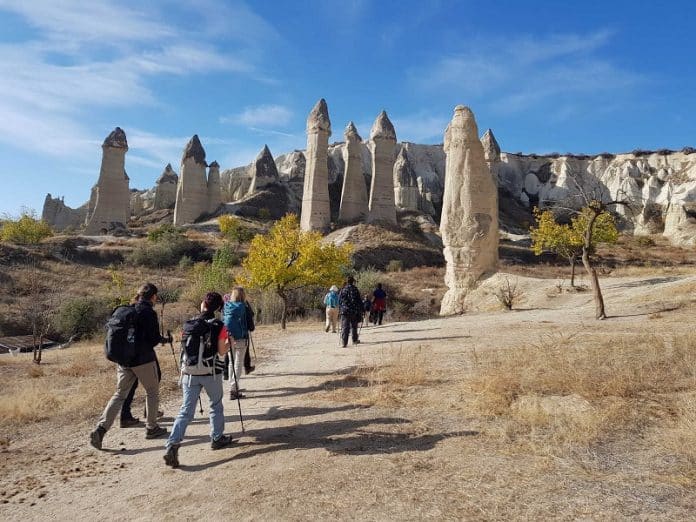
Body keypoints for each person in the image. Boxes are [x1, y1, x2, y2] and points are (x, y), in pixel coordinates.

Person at [90, 283, 169, 450]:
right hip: (143, 360)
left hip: (124, 361)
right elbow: (153, 339)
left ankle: (101, 428)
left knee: (119, 395)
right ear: (153, 296)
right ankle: (152, 427)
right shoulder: (148, 312)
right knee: (152, 392)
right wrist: (162, 339)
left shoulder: (128, 309)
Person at [164, 292, 233, 468]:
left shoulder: (189, 324)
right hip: (210, 372)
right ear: (219, 308)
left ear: (203, 304)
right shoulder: (219, 324)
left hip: (189, 373)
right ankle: (217, 438)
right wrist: (229, 342)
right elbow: (221, 351)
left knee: (185, 411)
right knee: (215, 405)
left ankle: (173, 443)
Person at [222, 287, 255, 400]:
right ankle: (233, 389)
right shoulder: (244, 307)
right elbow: (251, 326)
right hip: (241, 339)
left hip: (229, 337)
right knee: (238, 364)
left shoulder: (226, 306)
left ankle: (233, 386)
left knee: (231, 363)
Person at [338, 276, 362, 348]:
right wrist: (361, 309)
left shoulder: (343, 289)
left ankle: (344, 343)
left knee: (345, 326)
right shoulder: (355, 289)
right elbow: (359, 300)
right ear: (353, 281)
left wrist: (340, 308)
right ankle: (354, 340)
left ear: (347, 281)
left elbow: (339, 300)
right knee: (354, 326)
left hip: (344, 311)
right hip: (354, 310)